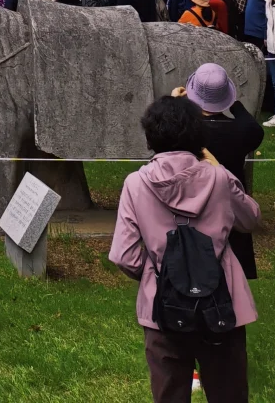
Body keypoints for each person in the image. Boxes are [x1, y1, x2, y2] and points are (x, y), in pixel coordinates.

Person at [109, 95, 259, 403]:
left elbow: (124, 255)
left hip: (163, 308)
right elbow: (251, 219)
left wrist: (159, 274)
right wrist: (219, 168)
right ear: (198, 136)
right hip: (222, 302)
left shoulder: (135, 184)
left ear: (150, 137)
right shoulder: (218, 178)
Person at [176, 63, 263, 282]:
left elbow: (165, 126)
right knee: (233, 282)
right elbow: (254, 128)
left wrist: (177, 103)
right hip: (230, 205)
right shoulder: (242, 131)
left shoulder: (187, 132)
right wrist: (232, 102)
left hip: (195, 208)